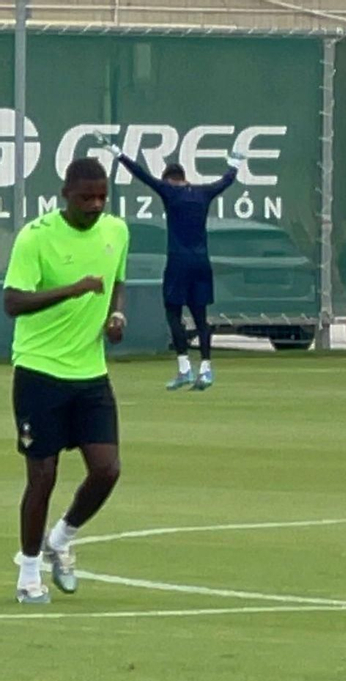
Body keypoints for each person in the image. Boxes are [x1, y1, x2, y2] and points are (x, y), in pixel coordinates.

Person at [4, 158, 128, 604]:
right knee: (43, 475)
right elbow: (13, 302)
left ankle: (61, 537)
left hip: (90, 373)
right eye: (86, 197)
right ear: (65, 195)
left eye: (102, 197)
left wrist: (116, 313)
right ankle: (28, 573)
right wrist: (71, 290)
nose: (95, 205)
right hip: (39, 371)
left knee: (107, 469)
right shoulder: (35, 237)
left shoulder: (117, 231)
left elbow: (117, 280)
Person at [108, 139, 242, 391]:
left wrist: (118, 153)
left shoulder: (169, 191)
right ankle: (206, 370)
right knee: (201, 317)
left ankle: (184, 369)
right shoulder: (203, 192)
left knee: (173, 314)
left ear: (169, 179)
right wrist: (235, 164)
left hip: (178, 264)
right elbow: (226, 181)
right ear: (184, 177)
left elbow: (141, 174)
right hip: (202, 263)